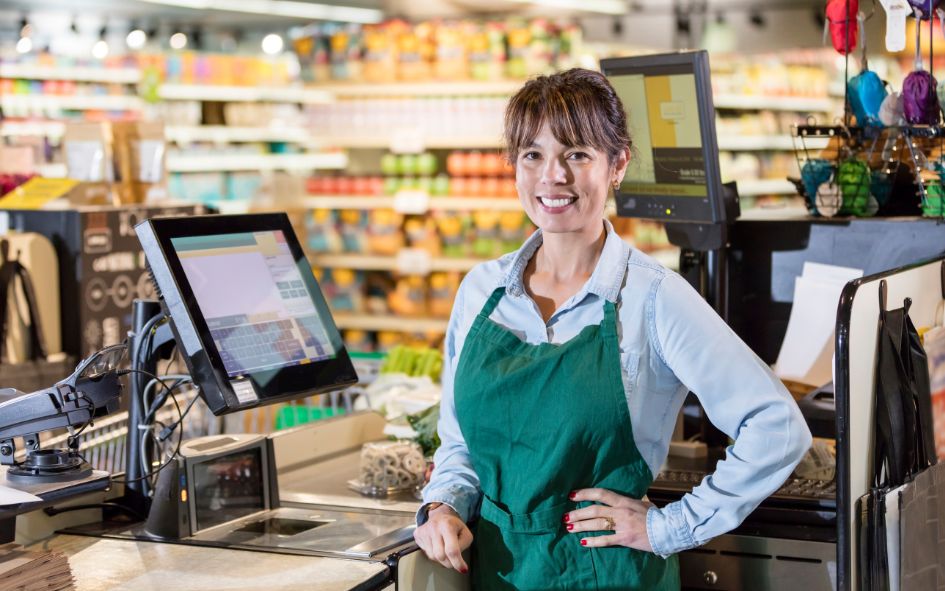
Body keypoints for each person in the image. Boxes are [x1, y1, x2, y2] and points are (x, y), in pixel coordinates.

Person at [413, 68, 812, 590]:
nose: (552, 176)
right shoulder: (481, 292)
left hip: (608, 574)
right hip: (499, 572)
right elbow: (460, 443)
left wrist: (668, 528)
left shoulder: (652, 297)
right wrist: (441, 505)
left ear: (617, 164)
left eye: (577, 154)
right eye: (532, 154)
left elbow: (777, 426)